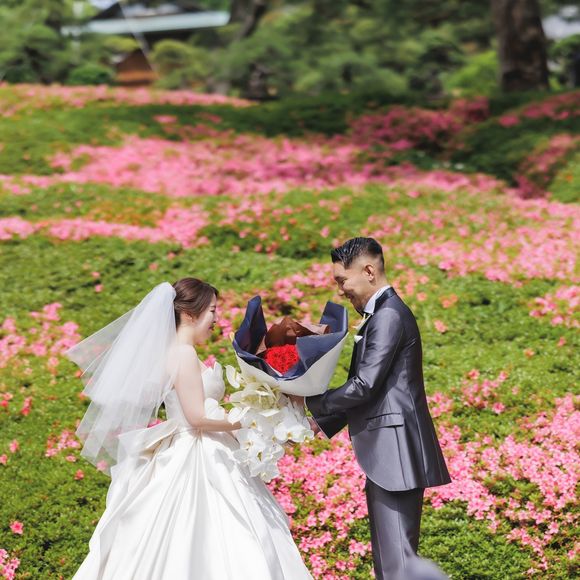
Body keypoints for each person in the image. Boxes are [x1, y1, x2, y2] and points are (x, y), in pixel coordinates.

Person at [67, 278, 312, 580]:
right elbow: (196, 418)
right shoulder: (183, 353)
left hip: (205, 444)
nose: (216, 319)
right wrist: (247, 419)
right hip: (196, 449)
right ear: (189, 313)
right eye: (212, 310)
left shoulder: (180, 352)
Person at [294, 237, 451, 580]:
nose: (340, 291)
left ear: (368, 271)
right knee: (390, 563)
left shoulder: (388, 315)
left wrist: (304, 399)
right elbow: (371, 388)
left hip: (395, 453)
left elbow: (365, 385)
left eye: (342, 280)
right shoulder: (383, 313)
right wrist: (320, 421)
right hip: (390, 453)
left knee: (397, 566)